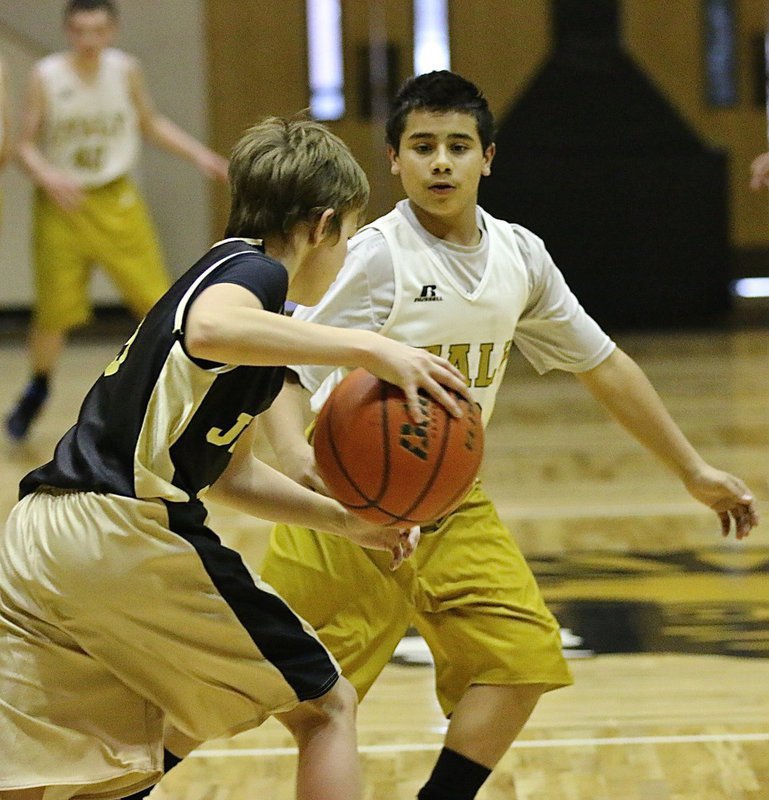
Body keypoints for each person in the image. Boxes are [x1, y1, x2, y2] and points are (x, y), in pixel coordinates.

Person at [249, 71, 757, 800]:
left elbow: (603, 363)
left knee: (519, 661)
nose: (441, 162)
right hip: (345, 506)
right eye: (421, 147)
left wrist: (691, 469)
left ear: (489, 157)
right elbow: (280, 358)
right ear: (392, 160)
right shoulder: (375, 255)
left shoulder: (518, 255)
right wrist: (298, 459)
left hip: (449, 499)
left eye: (458, 146)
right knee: (260, 690)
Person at [0, 115, 470, 800]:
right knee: (325, 705)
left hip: (41, 538)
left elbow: (231, 473)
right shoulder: (249, 275)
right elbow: (211, 326)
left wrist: (349, 522)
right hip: (117, 532)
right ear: (322, 225)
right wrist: (369, 348)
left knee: (86, 764)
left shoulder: (224, 287)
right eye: (348, 237)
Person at [6, 0, 229, 442]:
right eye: (80, 32)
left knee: (156, 301)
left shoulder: (125, 69)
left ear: (113, 31)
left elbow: (150, 123)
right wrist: (47, 175)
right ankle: (36, 390)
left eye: (98, 31)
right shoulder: (46, 75)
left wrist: (200, 155)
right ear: (68, 32)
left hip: (117, 197)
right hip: (63, 203)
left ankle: (175, 394)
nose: (89, 41)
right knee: (53, 312)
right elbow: (24, 144)